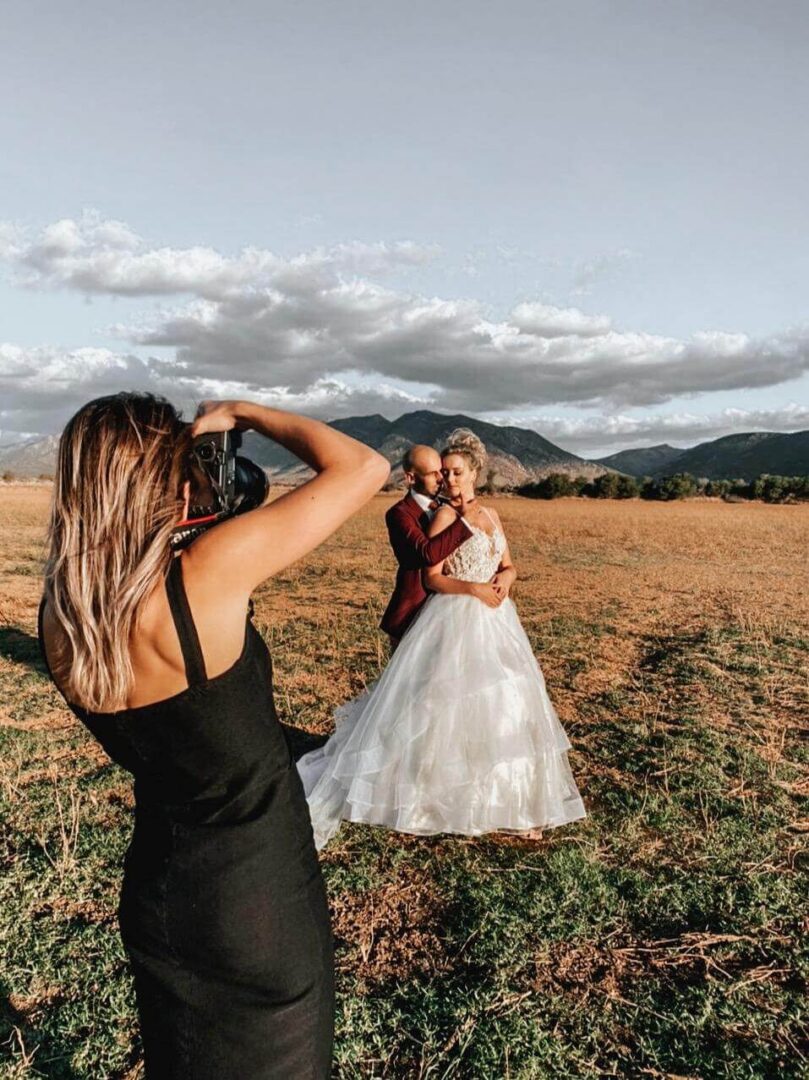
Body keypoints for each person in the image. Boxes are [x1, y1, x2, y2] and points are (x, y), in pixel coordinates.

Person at [36, 392, 389, 1080]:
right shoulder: (204, 575)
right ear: (159, 471)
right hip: (254, 897)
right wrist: (246, 413)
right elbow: (362, 467)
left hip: (159, 888)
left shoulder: (65, 609)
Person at [296, 428, 587, 851]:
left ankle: (508, 801)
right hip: (456, 614)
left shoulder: (492, 515)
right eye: (443, 473)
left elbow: (508, 563)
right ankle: (434, 795)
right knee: (444, 703)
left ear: (474, 474)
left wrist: (505, 578)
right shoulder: (445, 516)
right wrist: (475, 589)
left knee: (505, 702)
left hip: (498, 617)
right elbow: (432, 575)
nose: (448, 480)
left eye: (455, 472)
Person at [379, 444, 473, 650]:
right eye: (433, 474)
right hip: (412, 613)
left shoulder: (447, 506)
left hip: (449, 612)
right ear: (411, 478)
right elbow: (427, 553)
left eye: (442, 471)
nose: (442, 478)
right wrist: (465, 521)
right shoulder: (399, 514)